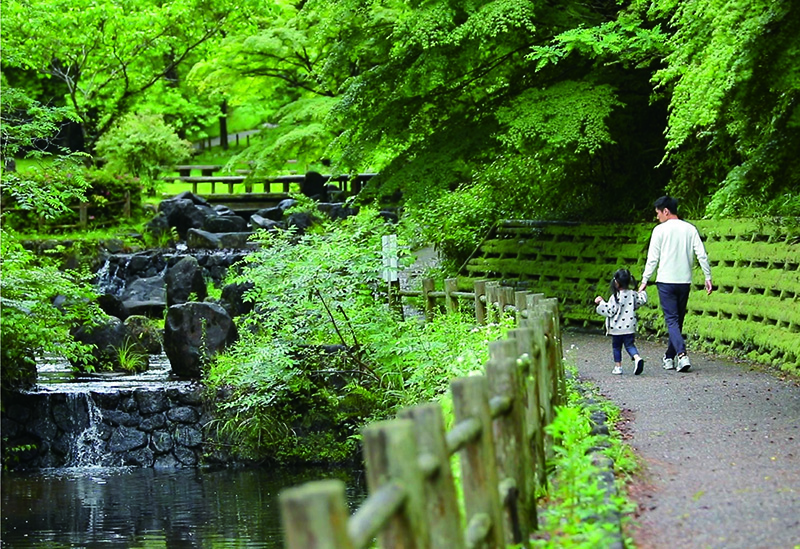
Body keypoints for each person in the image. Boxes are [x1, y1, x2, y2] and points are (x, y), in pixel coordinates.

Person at [638, 196, 713, 373]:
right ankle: (669, 357)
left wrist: (644, 280)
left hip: (665, 281)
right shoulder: (690, 229)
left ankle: (681, 355)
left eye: (658, 213)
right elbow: (701, 254)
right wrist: (707, 276)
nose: (657, 217)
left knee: (672, 320)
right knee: (677, 321)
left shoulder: (659, 231)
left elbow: (653, 259)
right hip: (684, 281)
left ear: (665, 211)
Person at [595, 269, 648, 375]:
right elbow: (641, 300)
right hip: (629, 327)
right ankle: (637, 358)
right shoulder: (632, 294)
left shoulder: (615, 297)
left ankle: (618, 367)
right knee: (630, 345)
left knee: (616, 347)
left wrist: (601, 303)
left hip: (616, 329)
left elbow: (609, 311)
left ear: (616, 282)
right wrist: (642, 291)